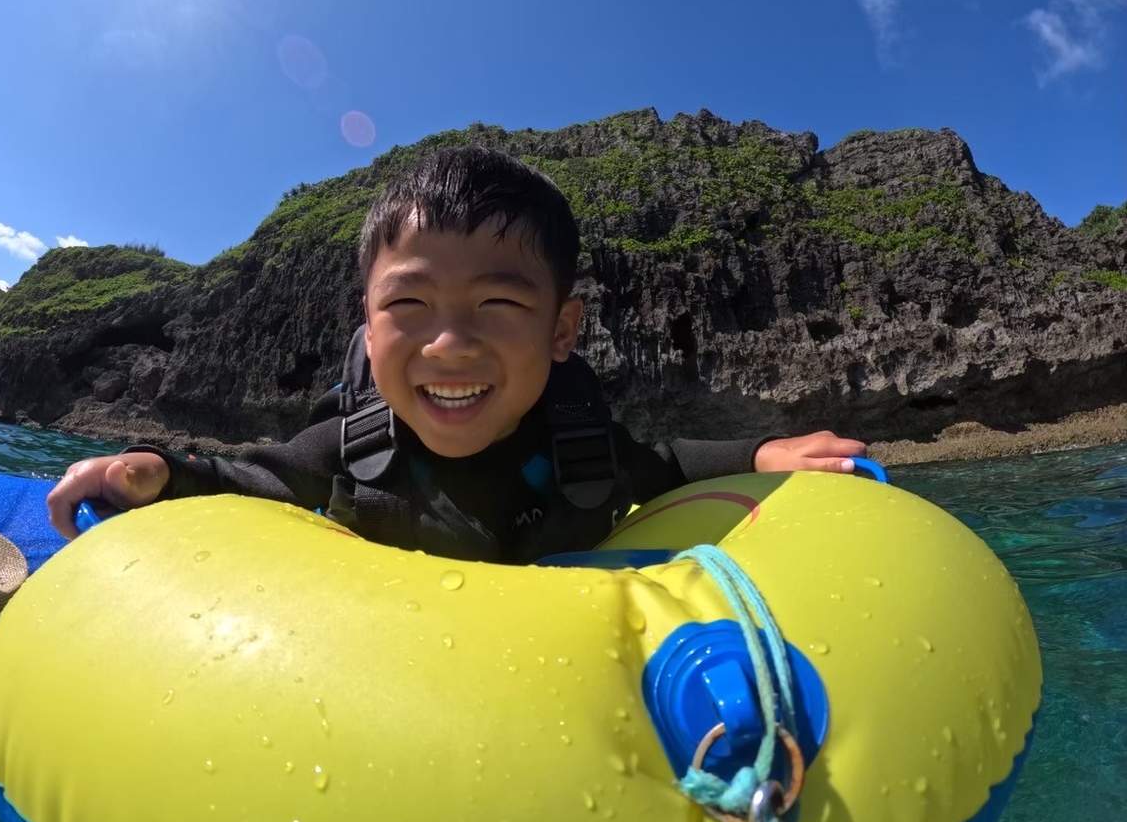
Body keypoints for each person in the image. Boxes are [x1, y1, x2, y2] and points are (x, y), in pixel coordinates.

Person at [47, 146, 865, 561]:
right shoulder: (354, 443)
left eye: (499, 303)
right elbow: (257, 477)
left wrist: (764, 449)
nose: (448, 344)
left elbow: (667, 465)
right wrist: (156, 470)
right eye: (408, 304)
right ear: (368, 329)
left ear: (562, 330)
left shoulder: (575, 448)